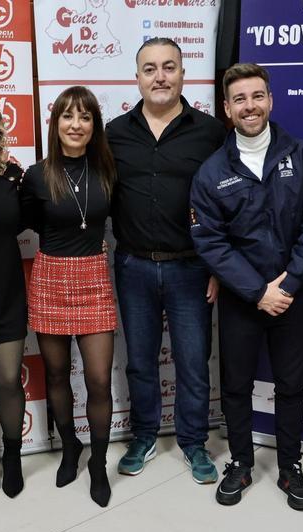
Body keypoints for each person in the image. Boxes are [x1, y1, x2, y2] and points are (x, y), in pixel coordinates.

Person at [189, 63, 303, 510]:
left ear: (270, 100)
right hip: (241, 300)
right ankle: (241, 463)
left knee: (291, 385)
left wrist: (288, 283)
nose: (249, 106)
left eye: (257, 97)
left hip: (290, 294)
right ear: (227, 109)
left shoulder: (302, 156)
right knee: (235, 386)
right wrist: (257, 290)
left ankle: (290, 467)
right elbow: (209, 240)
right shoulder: (212, 172)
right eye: (239, 100)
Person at [105, 37, 226, 484]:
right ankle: (144, 436)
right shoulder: (114, 133)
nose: (160, 76)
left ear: (182, 74)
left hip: (191, 267)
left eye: (169, 67)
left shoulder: (211, 132)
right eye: (150, 68)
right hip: (133, 265)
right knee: (139, 360)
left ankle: (194, 443)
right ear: (137, 78)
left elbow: (226, 202)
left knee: (194, 361)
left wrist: (219, 265)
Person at [20, 86, 118, 508]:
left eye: (85, 117)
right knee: (57, 376)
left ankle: (97, 464)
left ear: (94, 126)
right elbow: (11, 222)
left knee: (97, 379)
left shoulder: (108, 170)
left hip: (94, 277)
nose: (76, 125)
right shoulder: (37, 175)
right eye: (67, 116)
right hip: (49, 278)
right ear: (55, 123)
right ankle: (69, 447)